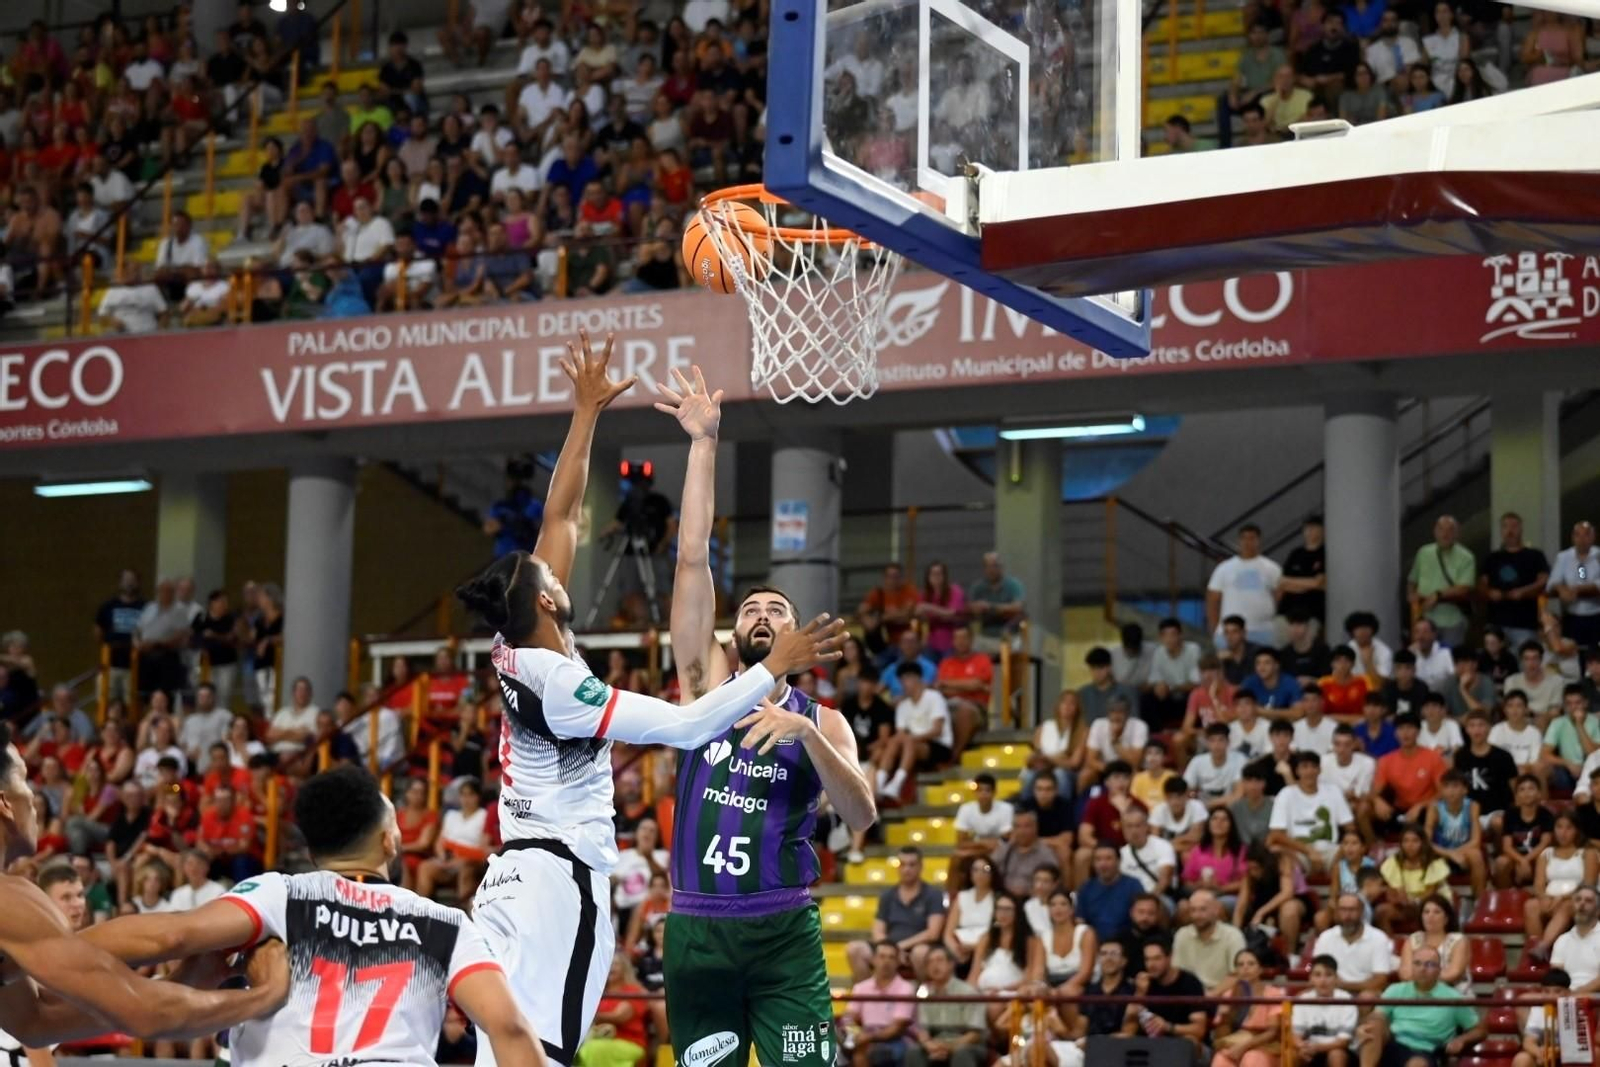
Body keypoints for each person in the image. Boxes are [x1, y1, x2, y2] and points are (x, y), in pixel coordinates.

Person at [454, 338, 847, 1067]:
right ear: (546, 595)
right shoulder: (566, 686)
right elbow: (690, 723)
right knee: (540, 1053)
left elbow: (563, 517)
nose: (565, 563)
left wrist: (584, 414)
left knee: (498, 1050)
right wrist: (775, 669)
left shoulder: (517, 639)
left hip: (513, 874)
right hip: (558, 880)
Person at [83, 765, 544, 1067]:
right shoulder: (447, 924)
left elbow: (169, 937)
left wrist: (53, 946)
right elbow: (511, 1030)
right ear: (389, 841)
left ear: (310, 848)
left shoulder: (279, 895)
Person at [0, 722, 294, 1046]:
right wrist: (267, 995)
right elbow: (145, 1013)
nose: (35, 795)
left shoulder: (14, 906)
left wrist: (182, 979)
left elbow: (36, 1022)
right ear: (5, 803)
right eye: (25, 779)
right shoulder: (9, 900)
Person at [1356, 945, 1485, 1067]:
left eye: (1429, 964)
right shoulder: (1396, 990)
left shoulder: (1453, 998)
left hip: (1428, 1050)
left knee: (1417, 1064)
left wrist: (1462, 1040)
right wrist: (1365, 1025)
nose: (1422, 969)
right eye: (1417, 963)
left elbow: (1480, 1030)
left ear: (1439, 970)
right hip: (1394, 1043)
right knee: (1373, 1027)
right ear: (1412, 966)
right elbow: (1378, 1015)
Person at [848, 846, 947, 981]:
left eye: (912, 865)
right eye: (902, 864)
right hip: (890, 946)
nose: (906, 869)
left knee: (920, 952)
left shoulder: (933, 895)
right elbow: (878, 931)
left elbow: (933, 933)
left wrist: (899, 947)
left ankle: (924, 998)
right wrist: (889, 950)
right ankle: (867, 994)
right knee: (854, 949)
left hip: (916, 947)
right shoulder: (887, 895)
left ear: (920, 867)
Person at [905, 944, 986, 1067]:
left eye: (939, 960)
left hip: (967, 1044)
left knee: (962, 1054)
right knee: (914, 1052)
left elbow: (974, 1035)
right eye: (930, 962)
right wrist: (929, 1045)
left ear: (951, 964)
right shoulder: (925, 994)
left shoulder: (968, 992)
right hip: (937, 1043)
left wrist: (949, 1047)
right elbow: (923, 1030)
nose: (935, 966)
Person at [1123, 936, 1208, 1054]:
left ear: (1170, 957)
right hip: (1148, 1044)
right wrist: (1140, 993)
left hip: (1179, 1041)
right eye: (1147, 959)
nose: (1151, 965)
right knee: (1121, 1040)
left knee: (1189, 1042)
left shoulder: (1190, 983)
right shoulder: (1144, 982)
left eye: (1157, 959)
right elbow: (1127, 1026)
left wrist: (1167, 1026)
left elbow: (1199, 1030)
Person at [1481, 512, 1550, 649]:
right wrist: (1490, 592)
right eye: (1506, 527)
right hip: (1497, 621)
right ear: (1501, 531)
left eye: (1514, 526)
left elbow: (1544, 580)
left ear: (1521, 529)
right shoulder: (1492, 558)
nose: (1510, 531)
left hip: (1524, 621)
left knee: (1526, 658)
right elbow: (1482, 584)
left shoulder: (1534, 556)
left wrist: (1523, 592)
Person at [1207, 524, 1281, 648]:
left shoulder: (1272, 568)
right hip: (1229, 632)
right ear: (1239, 541)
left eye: (1252, 538)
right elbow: (1212, 600)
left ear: (1258, 541)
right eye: (1244, 538)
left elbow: (1279, 596)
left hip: (1263, 631)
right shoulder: (1224, 568)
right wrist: (1215, 629)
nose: (1248, 542)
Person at [842, 942, 915, 1067]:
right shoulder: (861, 987)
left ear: (898, 962)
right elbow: (848, 1018)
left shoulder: (906, 989)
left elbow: (897, 1027)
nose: (886, 962)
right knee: (834, 1049)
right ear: (873, 960)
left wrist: (868, 1037)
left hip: (896, 1039)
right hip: (864, 1036)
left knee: (874, 1053)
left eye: (891, 957)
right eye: (882, 956)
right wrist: (854, 1034)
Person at [1292, 955, 1357, 1067]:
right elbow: (1296, 1035)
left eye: (1328, 975)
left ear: (1336, 978)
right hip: (1310, 1049)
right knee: (1294, 1054)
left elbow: (1343, 1042)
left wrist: (1317, 1047)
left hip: (1337, 1049)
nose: (1323, 980)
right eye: (1317, 975)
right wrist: (1302, 1046)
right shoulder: (1303, 999)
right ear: (1311, 978)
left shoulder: (1347, 1000)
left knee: (1336, 1054)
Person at [1496, 774, 1555, 888]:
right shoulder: (1510, 815)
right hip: (1516, 856)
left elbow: (1545, 843)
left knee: (1545, 859)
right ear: (1516, 795)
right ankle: (1505, 896)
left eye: (1531, 788)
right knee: (1501, 862)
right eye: (1522, 789)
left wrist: (1526, 860)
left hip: (1538, 856)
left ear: (1539, 793)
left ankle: (1542, 894)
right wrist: (1521, 860)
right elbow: (1507, 846)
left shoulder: (1546, 815)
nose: (1526, 792)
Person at [1077, 845, 1143, 942]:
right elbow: (1080, 921)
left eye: (1108, 858)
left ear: (1118, 861)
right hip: (1094, 944)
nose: (1103, 864)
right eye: (1098, 859)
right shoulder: (1086, 888)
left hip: (1127, 943)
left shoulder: (1133, 885)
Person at [1550, 884, 1600, 993]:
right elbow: (1556, 978)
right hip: (1567, 997)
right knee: (1523, 1000)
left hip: (1595, 998)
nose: (1582, 904)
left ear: (1598, 910)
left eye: (1588, 901)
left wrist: (1577, 993)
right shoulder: (1562, 940)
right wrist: (1567, 995)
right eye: (1578, 900)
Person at [955, 773, 1013, 857]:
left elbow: (1006, 839)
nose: (983, 794)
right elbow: (961, 843)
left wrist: (976, 843)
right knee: (957, 855)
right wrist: (985, 843)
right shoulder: (965, 809)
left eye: (987, 791)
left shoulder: (1006, 808)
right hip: (978, 849)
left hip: (1001, 850)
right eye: (980, 790)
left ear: (994, 792)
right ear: (974, 792)